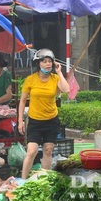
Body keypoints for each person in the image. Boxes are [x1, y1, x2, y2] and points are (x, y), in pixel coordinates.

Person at [17, 48, 70, 179]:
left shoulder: (55, 78)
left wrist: (59, 72)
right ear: (38, 64)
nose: (47, 64)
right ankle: (23, 180)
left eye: (50, 62)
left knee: (48, 150)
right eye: (44, 61)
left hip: (51, 121)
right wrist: (20, 121)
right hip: (34, 121)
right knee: (31, 151)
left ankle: (43, 180)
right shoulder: (30, 80)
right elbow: (23, 101)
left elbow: (67, 89)